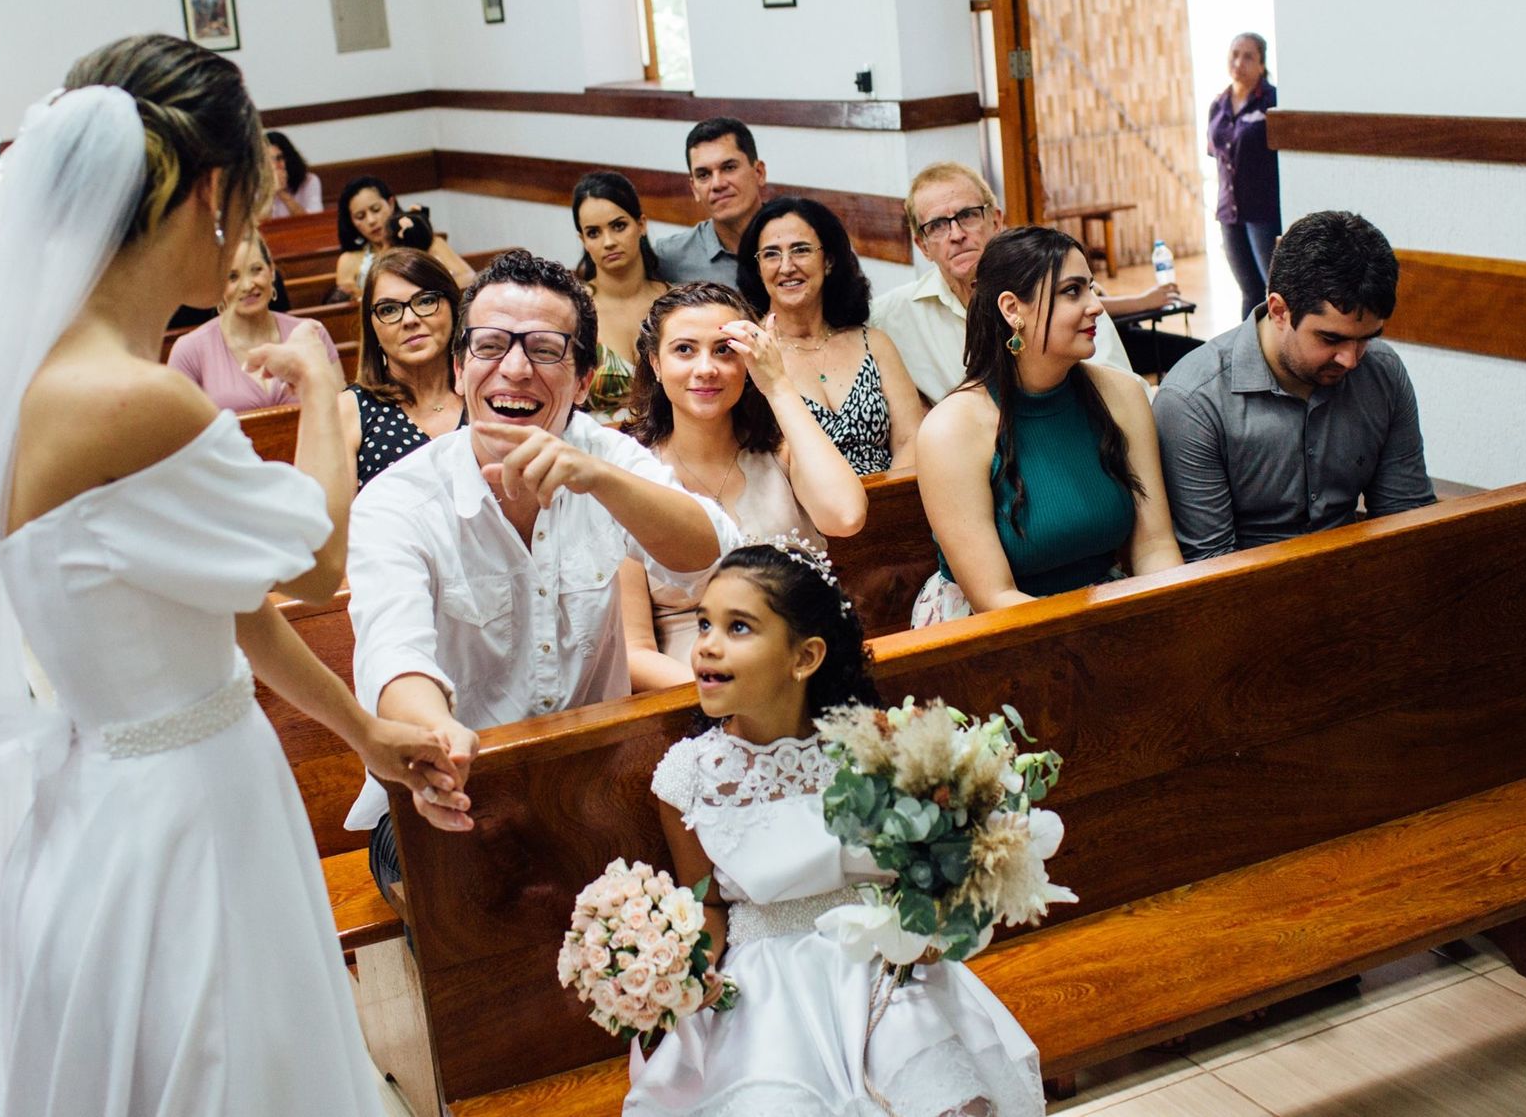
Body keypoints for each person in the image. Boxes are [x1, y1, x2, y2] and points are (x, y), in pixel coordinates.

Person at [0, 33, 459, 1115]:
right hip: (182, 817)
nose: (252, 238)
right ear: (213, 192)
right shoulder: (128, 398)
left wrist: (363, 733)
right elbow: (314, 560)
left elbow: (237, 610)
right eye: (256, 209)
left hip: (136, 793)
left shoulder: (55, 376)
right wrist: (322, 384)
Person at [343, 250, 736, 901]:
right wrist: (438, 743)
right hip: (443, 796)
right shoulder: (397, 501)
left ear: (583, 379)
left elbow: (715, 558)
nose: (516, 368)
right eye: (492, 345)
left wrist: (599, 481)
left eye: (546, 349)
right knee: (485, 911)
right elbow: (394, 655)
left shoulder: (604, 455)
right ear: (461, 366)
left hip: (594, 783)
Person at [626, 541, 1045, 1116]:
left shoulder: (874, 750)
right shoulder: (687, 778)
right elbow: (710, 903)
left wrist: (931, 927)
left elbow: (919, 872)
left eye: (739, 627)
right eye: (704, 624)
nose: (707, 646)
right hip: (762, 983)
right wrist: (682, 969)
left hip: (879, 966)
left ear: (805, 657)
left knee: (942, 1096)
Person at [912, 226, 1183, 625]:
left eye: (1091, 288)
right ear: (1012, 309)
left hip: (1102, 606)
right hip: (997, 624)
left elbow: (1154, 547)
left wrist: (1173, 623)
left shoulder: (1122, 396)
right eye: (1073, 291)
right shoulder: (951, 430)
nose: (1096, 306)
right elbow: (993, 595)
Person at [618, 282, 867, 689]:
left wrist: (778, 384)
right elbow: (634, 650)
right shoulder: (630, 475)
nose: (706, 368)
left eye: (724, 350)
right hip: (694, 692)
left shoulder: (782, 451)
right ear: (656, 363)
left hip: (810, 674)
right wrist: (730, 695)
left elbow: (846, 515)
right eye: (684, 350)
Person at [1153, 210, 1436, 562]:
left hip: (1356, 581)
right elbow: (1210, 565)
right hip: (1248, 596)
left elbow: (1407, 516)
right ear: (1279, 310)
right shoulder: (1194, 401)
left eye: (1366, 339)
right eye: (1331, 338)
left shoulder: (1381, 370)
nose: (1351, 359)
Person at [872, 161, 1144, 404]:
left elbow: (1123, 392)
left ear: (996, 221)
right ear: (923, 246)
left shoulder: (1061, 289)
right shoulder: (893, 315)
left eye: (967, 215)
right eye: (938, 226)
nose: (956, 234)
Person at [736, 196, 923, 474]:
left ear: (829, 261)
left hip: (893, 501)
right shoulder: (750, 353)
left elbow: (911, 440)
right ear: (758, 268)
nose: (786, 266)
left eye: (800, 250)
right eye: (771, 254)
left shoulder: (873, 343)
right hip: (801, 511)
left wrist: (885, 508)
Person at [167, 231, 341, 412]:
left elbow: (343, 415)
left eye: (256, 270)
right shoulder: (189, 350)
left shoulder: (313, 333)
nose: (248, 285)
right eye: (232, 277)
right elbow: (179, 434)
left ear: (272, 271)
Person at [337, 247, 465, 488]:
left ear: (453, 307)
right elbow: (336, 522)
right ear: (372, 326)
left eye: (426, 301)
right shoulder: (350, 409)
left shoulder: (484, 389)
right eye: (389, 310)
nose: (409, 320)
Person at [572, 170, 669, 425]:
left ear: (641, 224)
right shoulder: (572, 309)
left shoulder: (675, 302)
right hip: (595, 451)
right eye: (594, 233)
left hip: (671, 448)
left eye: (618, 226)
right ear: (583, 240)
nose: (609, 242)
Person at [1208, 33, 1282, 322]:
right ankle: (1247, 354)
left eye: (1248, 56)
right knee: (1248, 291)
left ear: (1262, 64)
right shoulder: (1219, 103)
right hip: (1230, 212)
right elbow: (1216, 153)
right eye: (1234, 54)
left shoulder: (1272, 100)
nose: (1239, 62)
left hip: (1262, 211)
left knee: (1273, 287)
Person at [654, 117, 768, 286]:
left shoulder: (798, 239)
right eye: (704, 175)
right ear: (694, 189)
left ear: (759, 172)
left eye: (729, 168)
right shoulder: (669, 258)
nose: (717, 184)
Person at [333, 175, 473, 300]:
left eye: (376, 209)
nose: (371, 220)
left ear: (391, 203)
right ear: (351, 221)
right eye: (360, 216)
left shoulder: (429, 243)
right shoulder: (349, 260)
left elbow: (468, 278)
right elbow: (346, 303)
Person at [264, 129, 323, 219]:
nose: (275, 165)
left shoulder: (309, 181)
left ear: (289, 159)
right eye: (268, 160)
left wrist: (281, 193)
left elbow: (314, 221)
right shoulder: (253, 187)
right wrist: (270, 194)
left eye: (279, 158)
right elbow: (256, 226)